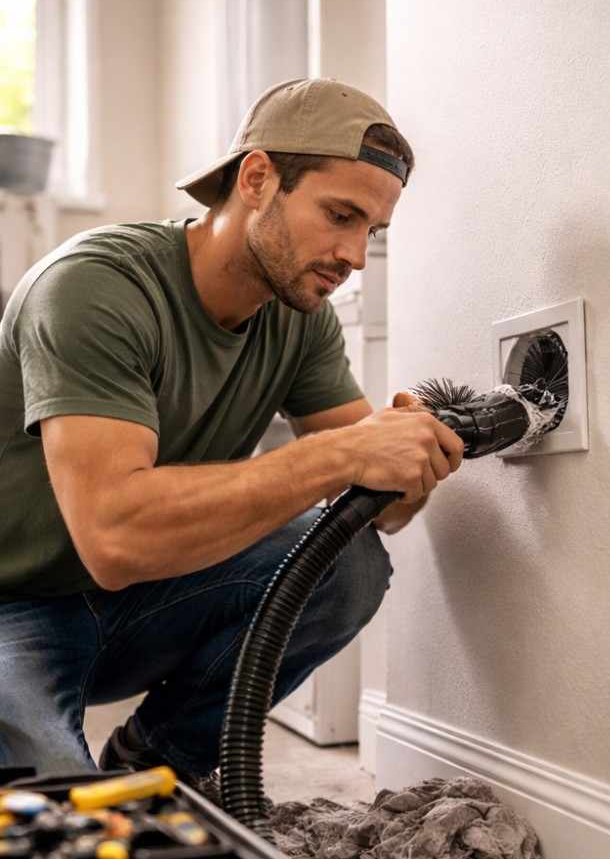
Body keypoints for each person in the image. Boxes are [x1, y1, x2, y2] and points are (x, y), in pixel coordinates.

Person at [0, 78, 463, 792]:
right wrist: (344, 452)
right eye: (339, 215)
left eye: (370, 230)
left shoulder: (298, 317)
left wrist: (410, 459)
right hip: (12, 606)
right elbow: (115, 536)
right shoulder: (93, 289)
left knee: (348, 563)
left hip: (130, 607)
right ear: (257, 179)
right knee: (61, 828)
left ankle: (160, 766)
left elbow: (385, 512)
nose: (354, 255)